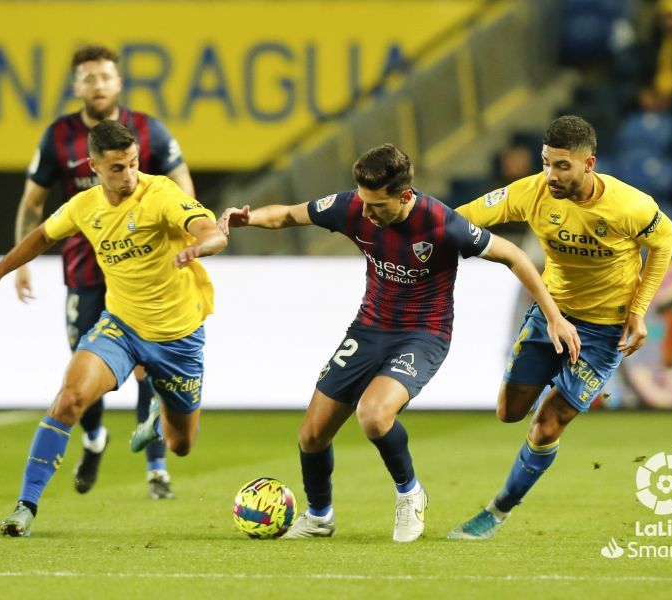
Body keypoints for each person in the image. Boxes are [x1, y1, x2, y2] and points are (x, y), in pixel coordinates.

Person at [219, 144, 580, 542]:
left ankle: (410, 494)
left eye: (376, 205)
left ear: (404, 195)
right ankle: (319, 518)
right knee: (312, 435)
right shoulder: (353, 207)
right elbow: (289, 214)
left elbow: (513, 254)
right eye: (362, 201)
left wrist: (553, 316)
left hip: (422, 335)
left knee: (373, 415)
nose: (366, 213)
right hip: (368, 329)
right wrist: (248, 219)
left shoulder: (442, 224)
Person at [0, 120, 227, 537]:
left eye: (134, 164)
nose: (129, 175)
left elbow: (210, 231)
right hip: (120, 326)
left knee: (182, 445)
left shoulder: (160, 195)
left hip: (178, 338)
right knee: (70, 398)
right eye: (118, 168)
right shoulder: (85, 205)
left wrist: (202, 245)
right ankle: (25, 507)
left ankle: (159, 420)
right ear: (94, 166)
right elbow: (42, 236)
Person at [448, 115, 672, 540]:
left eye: (562, 166)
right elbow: (462, 217)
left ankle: (498, 510)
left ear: (589, 164)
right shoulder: (532, 192)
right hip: (552, 314)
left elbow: (663, 242)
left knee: (548, 423)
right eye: (546, 162)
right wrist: (418, 231)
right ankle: (551, 383)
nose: (551, 175)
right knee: (509, 412)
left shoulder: (630, 206)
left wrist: (639, 309)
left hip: (604, 333)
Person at [14, 45, 196, 500]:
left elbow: (183, 186)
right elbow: (33, 204)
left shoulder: (148, 130)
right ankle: (95, 439)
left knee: (147, 367)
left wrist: (190, 237)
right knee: (83, 370)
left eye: (106, 76)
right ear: (77, 86)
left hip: (145, 270)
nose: (98, 85)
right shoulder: (58, 136)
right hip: (84, 271)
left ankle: (157, 469)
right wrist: (18, 265)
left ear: (118, 82)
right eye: (89, 78)